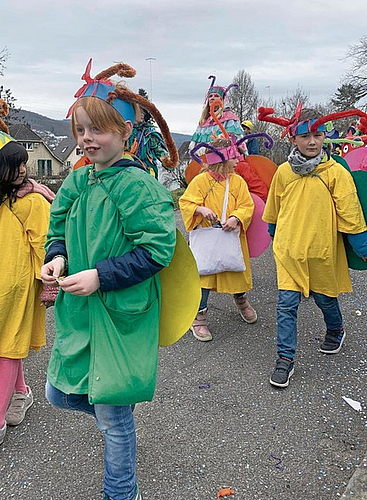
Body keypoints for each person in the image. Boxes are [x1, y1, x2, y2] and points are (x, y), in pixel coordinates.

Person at [40, 59, 178, 500]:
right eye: (80, 130)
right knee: (57, 394)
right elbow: (56, 227)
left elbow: (157, 250)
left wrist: (102, 275)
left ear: (124, 132)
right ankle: (114, 410)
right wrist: (56, 257)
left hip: (120, 314)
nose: (86, 139)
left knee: (114, 420)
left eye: (97, 130)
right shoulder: (78, 180)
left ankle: (121, 492)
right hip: (80, 311)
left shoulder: (138, 186)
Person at [259, 105, 367, 388]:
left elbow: (350, 213)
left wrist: (362, 247)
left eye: (317, 135)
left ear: (324, 138)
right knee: (286, 306)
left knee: (325, 299)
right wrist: (272, 234)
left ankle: (335, 329)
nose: (312, 142)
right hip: (288, 251)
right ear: (293, 139)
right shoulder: (284, 172)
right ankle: (285, 359)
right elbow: (274, 208)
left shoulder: (335, 173)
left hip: (322, 252)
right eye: (305, 136)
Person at [0, 102, 55, 446]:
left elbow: (44, 244)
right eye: (14, 165)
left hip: (18, 282)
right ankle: (20, 391)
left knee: (7, 346)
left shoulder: (31, 200)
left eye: (24, 164)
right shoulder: (5, 198)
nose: (22, 171)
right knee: (8, 341)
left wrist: (48, 284)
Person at [179, 134, 257, 342]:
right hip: (207, 239)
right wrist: (200, 209)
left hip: (230, 237)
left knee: (236, 273)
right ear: (222, 159)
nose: (238, 160)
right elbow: (186, 202)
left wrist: (236, 217)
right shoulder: (201, 181)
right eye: (233, 157)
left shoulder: (238, 182)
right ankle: (199, 318)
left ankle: (242, 301)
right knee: (204, 277)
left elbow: (247, 205)